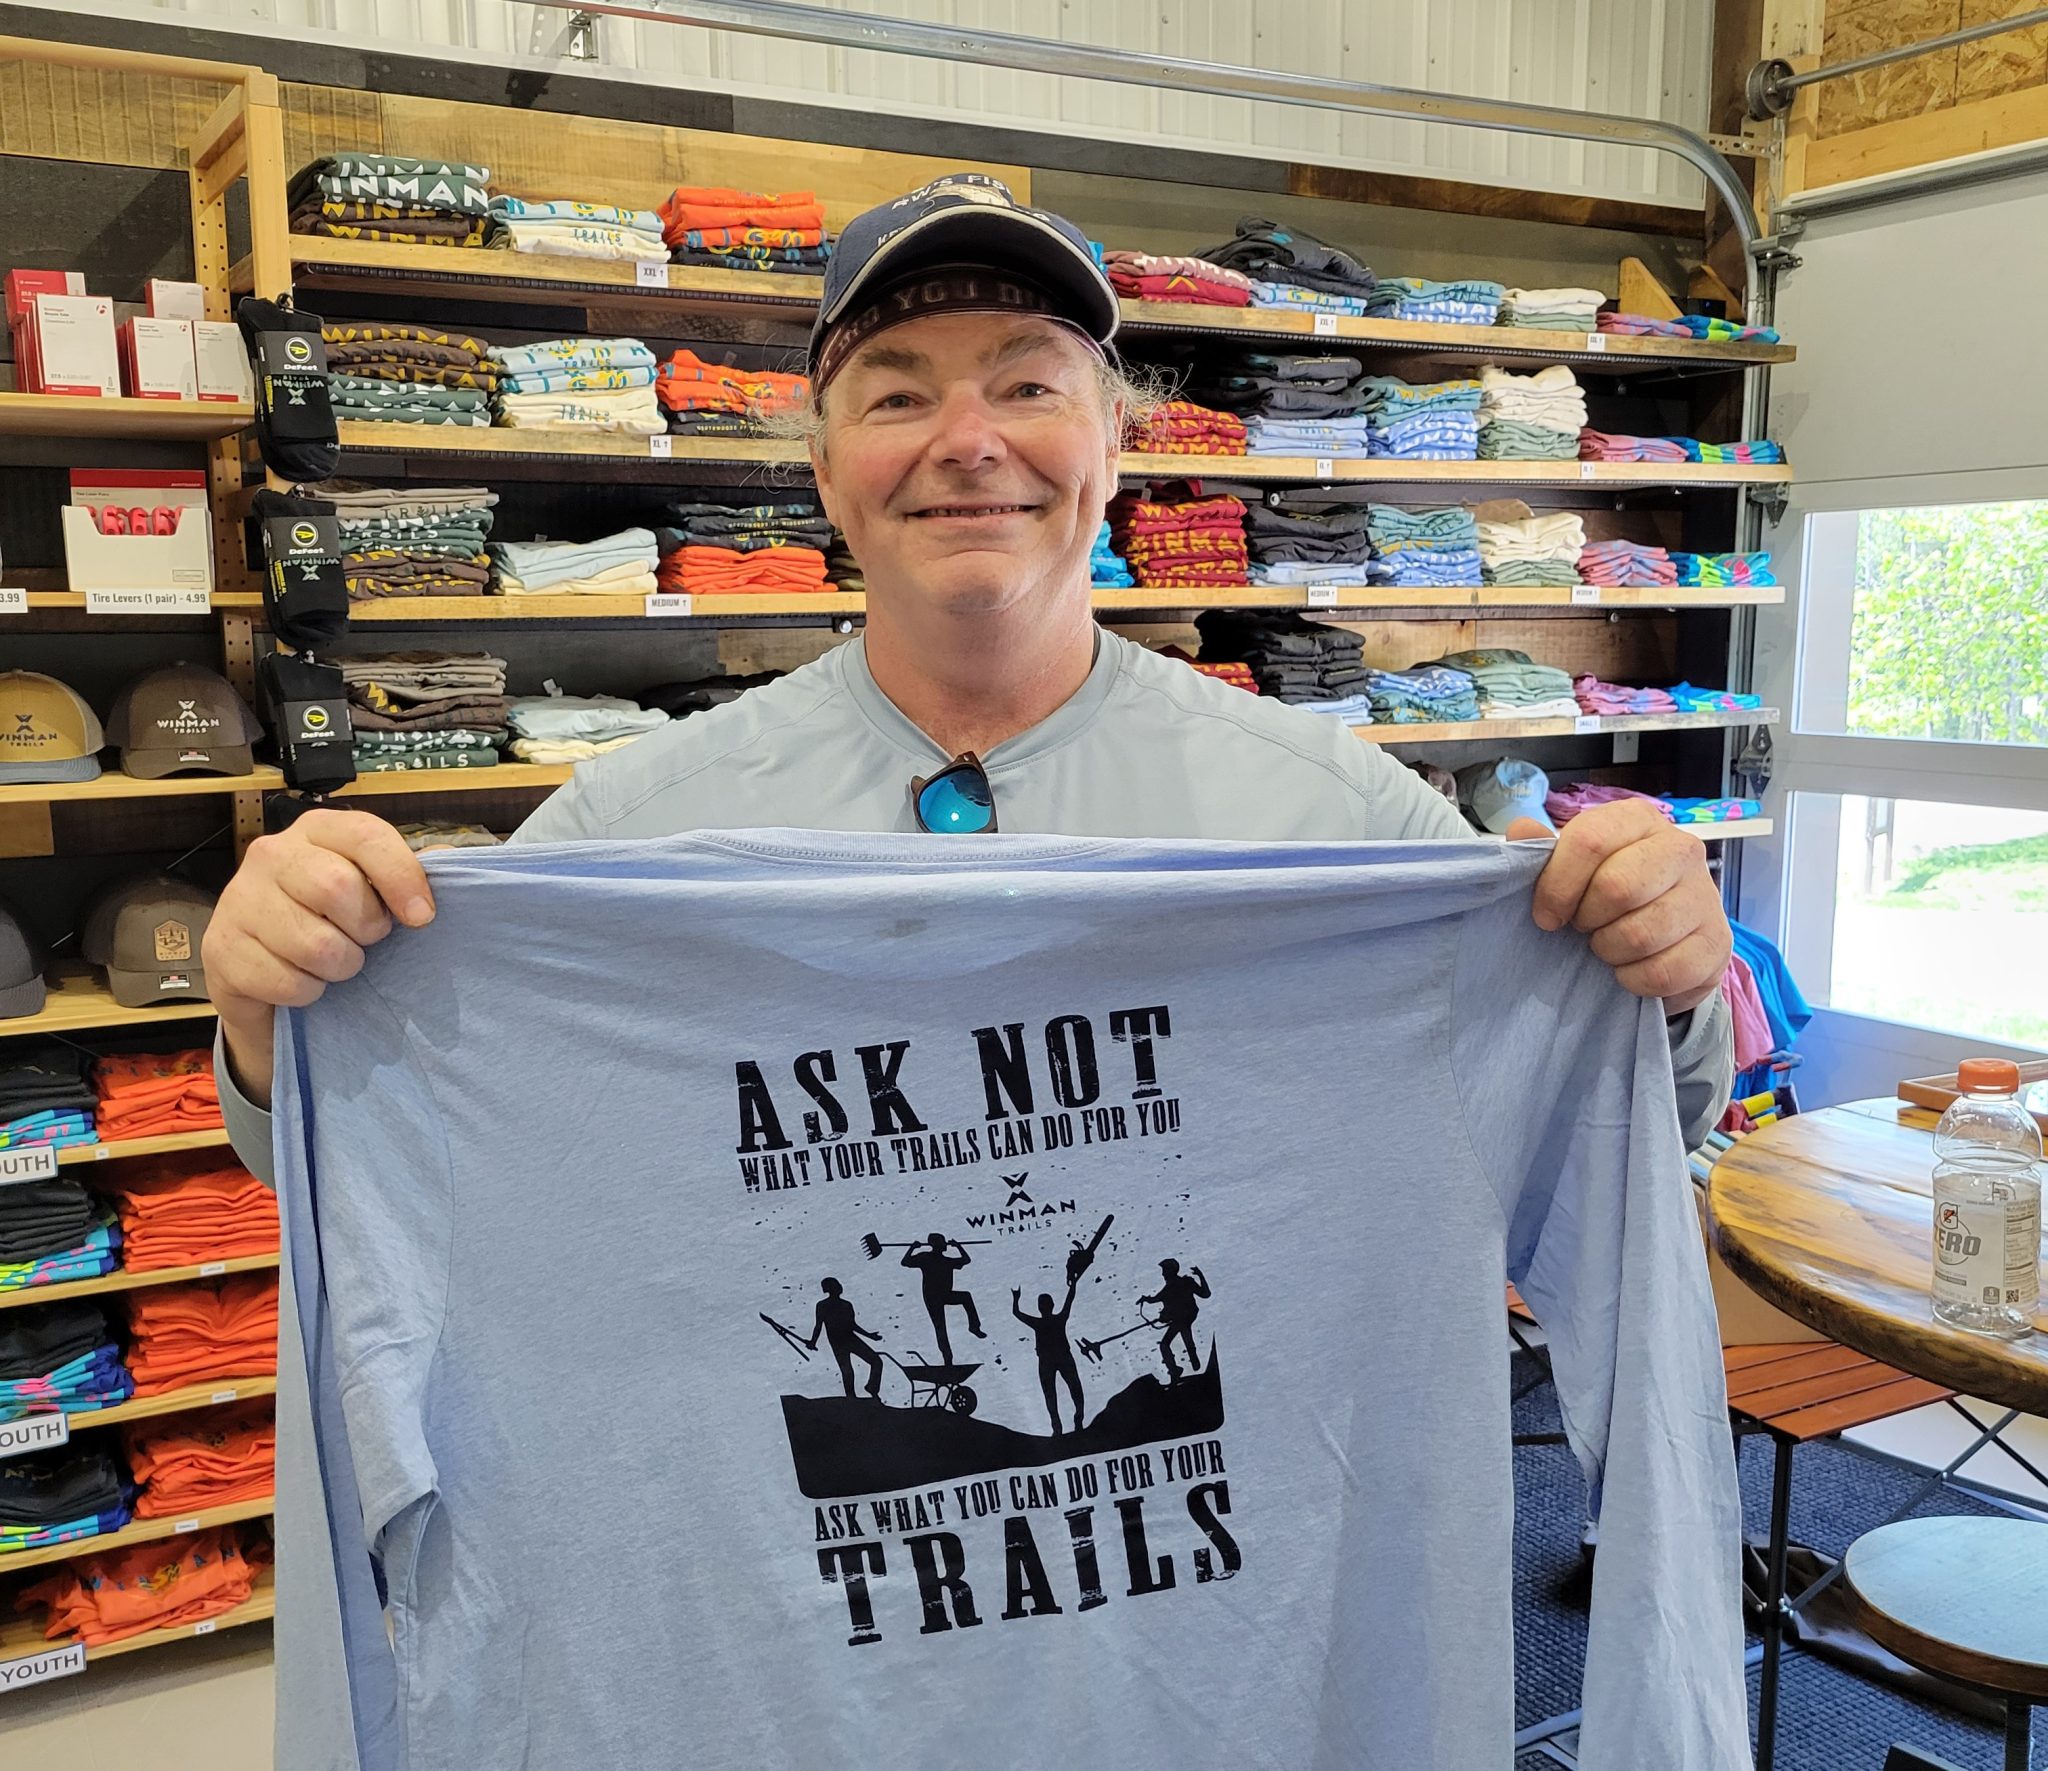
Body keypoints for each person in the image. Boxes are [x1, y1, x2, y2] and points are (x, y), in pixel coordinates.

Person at [199, 173, 1737, 1762]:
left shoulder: (1341, 827)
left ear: (1116, 442)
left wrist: (1668, 982)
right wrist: (271, 1025)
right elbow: (380, 1185)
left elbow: (1620, 1129)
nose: (968, 439)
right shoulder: (627, 837)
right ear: (822, 469)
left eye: (1027, 383)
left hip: (1225, 1709)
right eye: (896, 394)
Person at [900, 1232, 984, 1365]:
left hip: (945, 1294)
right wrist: (912, 1248)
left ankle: (974, 1327)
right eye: (943, 1242)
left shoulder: (946, 1261)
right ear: (938, 1244)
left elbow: (966, 1260)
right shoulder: (925, 1257)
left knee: (966, 1296)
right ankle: (947, 1358)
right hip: (932, 1298)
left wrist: (958, 1246)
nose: (946, 1244)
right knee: (940, 1327)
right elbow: (905, 1262)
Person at [1012, 1278, 1084, 1434]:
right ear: (1052, 1305)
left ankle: (1058, 1428)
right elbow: (1069, 1300)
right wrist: (1073, 1285)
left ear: (1040, 1308)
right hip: (1062, 1358)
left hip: (1048, 1362)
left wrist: (1016, 1299)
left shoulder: (1038, 1323)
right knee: (1074, 1389)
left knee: (1051, 1396)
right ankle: (1077, 1420)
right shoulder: (1059, 1319)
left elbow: (1016, 1313)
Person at [806, 1277, 884, 1400]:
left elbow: (852, 1325)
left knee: (875, 1361)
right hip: (838, 1342)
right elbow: (818, 1326)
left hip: (850, 1339)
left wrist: (870, 1336)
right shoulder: (823, 1306)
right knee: (848, 1370)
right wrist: (813, 1341)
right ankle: (851, 1397)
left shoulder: (845, 1305)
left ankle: (871, 1388)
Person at [1139, 1258, 1211, 1382]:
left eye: (1164, 1271)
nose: (1163, 1274)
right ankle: (1190, 1363)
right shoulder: (1183, 1283)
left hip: (1182, 1319)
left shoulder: (1176, 1286)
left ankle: (1176, 1370)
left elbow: (1205, 1294)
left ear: (1170, 1271)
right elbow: (1205, 1294)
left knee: (1166, 1344)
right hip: (1183, 1319)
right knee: (1184, 1338)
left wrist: (1200, 1275)